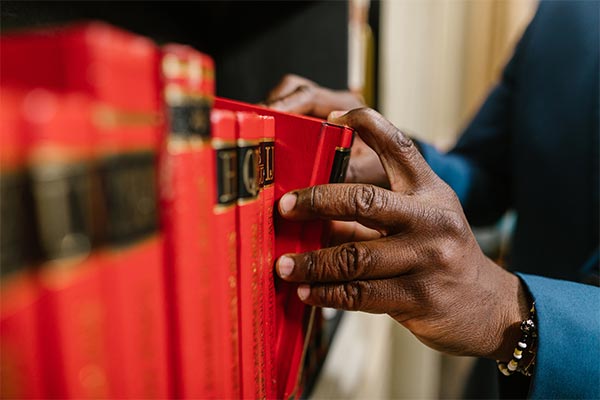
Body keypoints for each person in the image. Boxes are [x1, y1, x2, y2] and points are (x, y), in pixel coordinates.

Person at [266, 1, 599, 398]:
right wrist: (393, 160)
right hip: (502, 379)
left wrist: (509, 312)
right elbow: (487, 174)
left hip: (520, 347)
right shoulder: (564, 13)